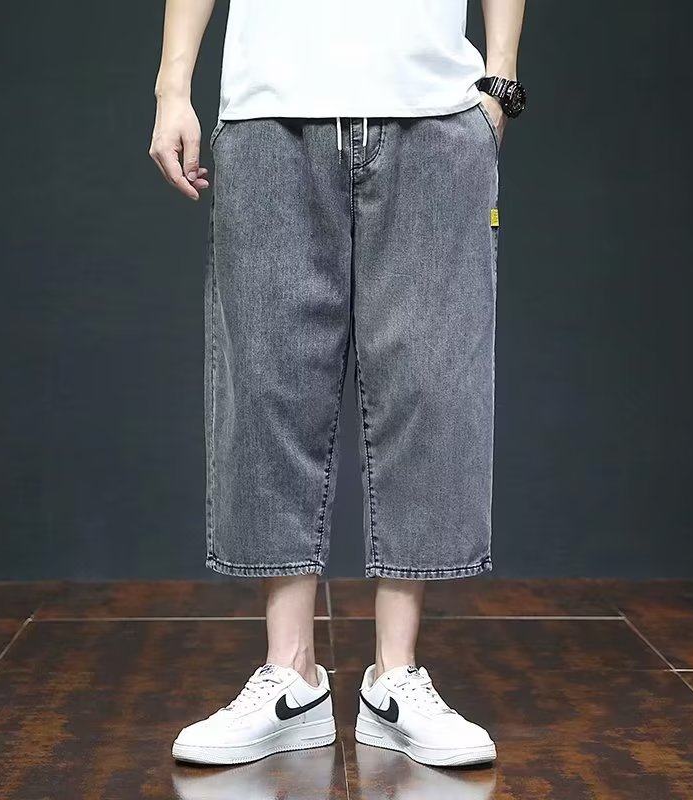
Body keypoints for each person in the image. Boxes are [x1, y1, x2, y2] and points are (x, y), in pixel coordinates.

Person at [150, 0, 526, 768]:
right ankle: (290, 678)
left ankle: (397, 677)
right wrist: (172, 86)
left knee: (429, 386)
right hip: (269, 113)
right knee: (268, 389)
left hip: (433, 111)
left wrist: (501, 81)